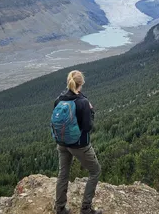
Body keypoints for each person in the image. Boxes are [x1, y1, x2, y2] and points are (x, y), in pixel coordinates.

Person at [54, 70, 102, 214]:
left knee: (63, 173)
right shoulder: (83, 102)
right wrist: (91, 112)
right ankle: (86, 209)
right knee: (95, 171)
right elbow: (88, 127)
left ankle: (60, 208)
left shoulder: (59, 100)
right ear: (82, 83)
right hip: (80, 145)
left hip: (62, 143)